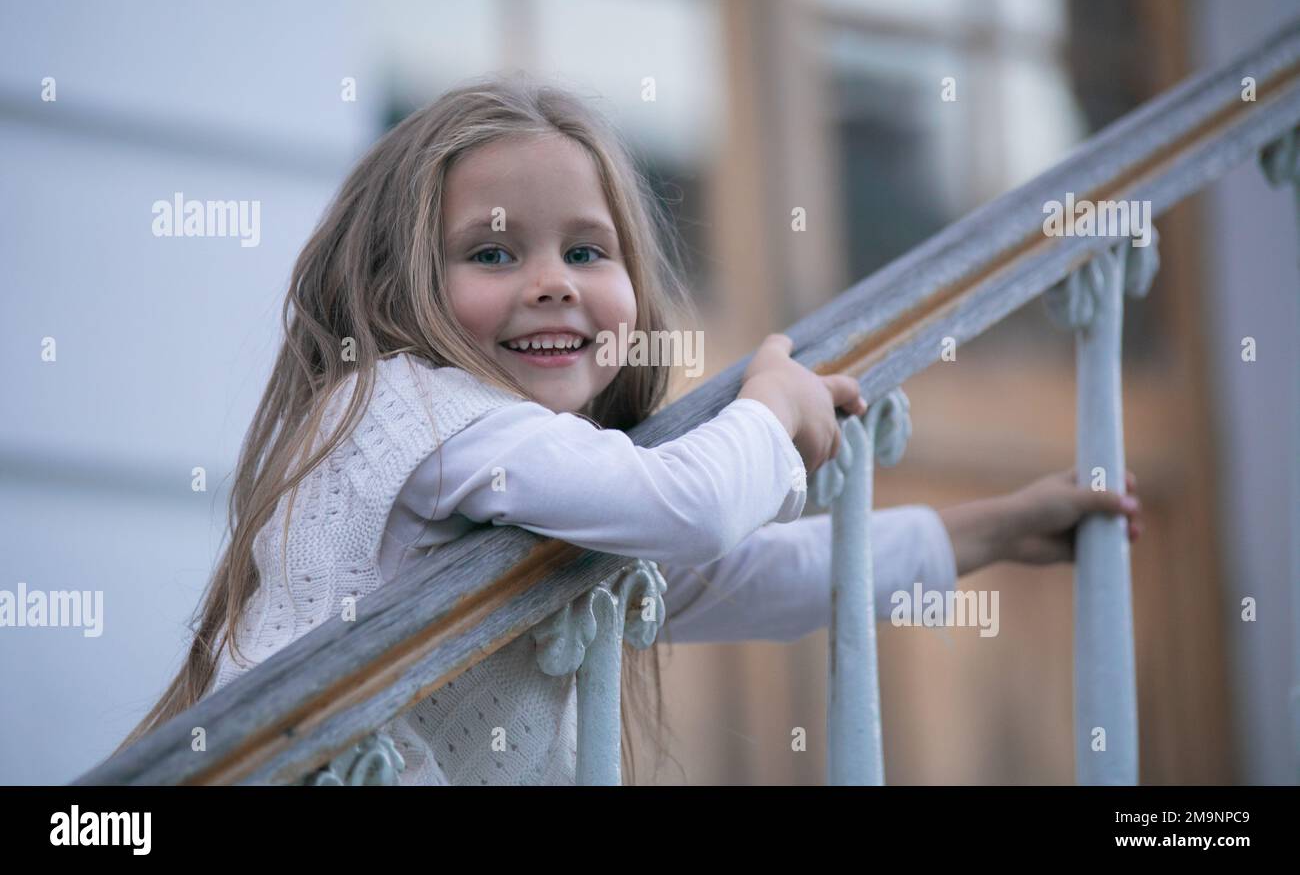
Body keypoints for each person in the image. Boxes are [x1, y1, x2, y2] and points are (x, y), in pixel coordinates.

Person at [115, 76, 1143, 785]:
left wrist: (989, 532)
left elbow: (747, 575)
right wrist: (769, 410)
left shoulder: (534, 480)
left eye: (585, 249)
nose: (551, 280)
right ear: (396, 291)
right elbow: (695, 508)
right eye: (491, 253)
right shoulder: (413, 408)